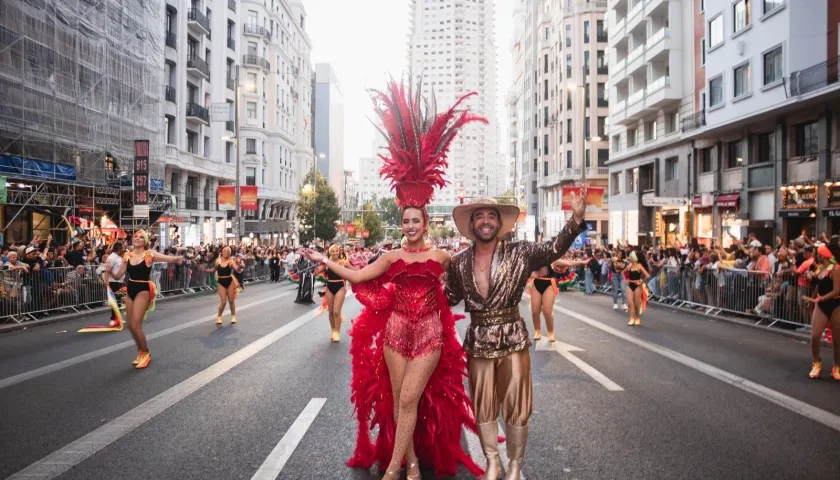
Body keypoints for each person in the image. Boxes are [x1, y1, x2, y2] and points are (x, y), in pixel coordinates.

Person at [299, 79, 486, 479]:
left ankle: (391, 474)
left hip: (431, 334)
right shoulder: (391, 257)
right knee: (400, 399)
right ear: (401, 223)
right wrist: (323, 259)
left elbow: (469, 278)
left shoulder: (441, 256)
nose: (412, 225)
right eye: (406, 220)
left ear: (425, 222)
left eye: (417, 220)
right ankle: (412, 464)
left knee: (410, 397)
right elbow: (356, 273)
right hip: (397, 332)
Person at [445, 192, 587, 480]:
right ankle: (492, 462)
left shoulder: (520, 252)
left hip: (513, 338)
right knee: (482, 404)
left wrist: (576, 220)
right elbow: (450, 297)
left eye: (491, 216)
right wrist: (431, 277)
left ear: (499, 223)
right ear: (472, 224)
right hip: (479, 340)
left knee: (517, 405)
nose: (485, 221)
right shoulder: (458, 262)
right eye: (480, 216)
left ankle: (514, 465)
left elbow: (552, 250)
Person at [110, 230, 183, 369]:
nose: (136, 239)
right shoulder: (127, 255)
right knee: (130, 326)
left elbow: (167, 258)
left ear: (145, 241)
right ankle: (141, 352)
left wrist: (177, 259)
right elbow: (119, 273)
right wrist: (108, 271)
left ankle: (146, 353)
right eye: (135, 237)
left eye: (140, 237)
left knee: (136, 325)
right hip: (130, 288)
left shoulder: (149, 254)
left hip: (142, 289)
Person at [801, 244, 840, 380]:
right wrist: (813, 298)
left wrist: (820, 299)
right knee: (815, 335)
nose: (817, 255)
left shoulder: (835, 269)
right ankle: (817, 362)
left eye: (819, 253)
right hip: (821, 304)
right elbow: (819, 285)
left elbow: (837, 290)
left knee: (837, 339)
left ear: (824, 255)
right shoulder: (820, 268)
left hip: (836, 305)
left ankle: (837, 366)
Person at [529, 257, 588, 342]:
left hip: (549, 283)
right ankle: (537, 331)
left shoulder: (552, 259)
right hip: (536, 283)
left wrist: (583, 262)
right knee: (535, 311)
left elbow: (569, 263)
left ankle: (550, 333)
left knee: (547, 311)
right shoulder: (535, 259)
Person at [320, 244, 348, 342]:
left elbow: (354, 271)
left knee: (336, 311)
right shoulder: (327, 263)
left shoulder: (343, 262)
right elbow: (317, 271)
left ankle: (337, 332)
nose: (335, 253)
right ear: (330, 252)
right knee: (331, 311)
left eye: (337, 251)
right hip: (329, 287)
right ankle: (333, 330)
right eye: (333, 251)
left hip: (340, 286)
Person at [205, 246, 241, 325]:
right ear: (222, 252)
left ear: (230, 253)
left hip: (229, 281)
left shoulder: (231, 261)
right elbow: (214, 270)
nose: (226, 252)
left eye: (228, 251)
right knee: (223, 302)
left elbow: (237, 269)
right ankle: (219, 317)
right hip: (221, 282)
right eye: (224, 251)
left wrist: (239, 264)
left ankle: (233, 316)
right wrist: (206, 270)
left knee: (231, 301)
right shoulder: (218, 261)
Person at [623, 250, 651, 326]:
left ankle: (637, 318)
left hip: (637, 286)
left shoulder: (639, 266)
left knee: (636, 303)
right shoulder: (629, 266)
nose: (629, 258)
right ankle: (631, 319)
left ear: (634, 258)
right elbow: (622, 272)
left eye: (630, 256)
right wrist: (625, 280)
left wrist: (641, 282)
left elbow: (647, 275)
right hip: (630, 285)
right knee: (629, 302)